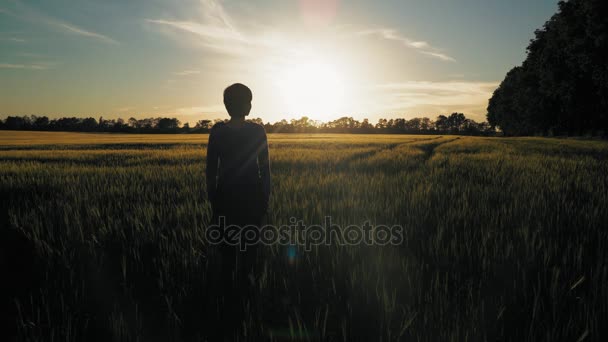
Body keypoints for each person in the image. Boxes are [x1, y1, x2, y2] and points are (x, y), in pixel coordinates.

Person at [205, 83, 270, 338]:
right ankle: (245, 301)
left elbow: (211, 171)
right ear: (246, 105)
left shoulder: (217, 132)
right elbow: (265, 170)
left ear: (226, 105)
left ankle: (227, 303)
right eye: (249, 100)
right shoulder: (257, 131)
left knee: (228, 254)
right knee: (249, 253)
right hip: (252, 198)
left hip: (225, 199)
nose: (251, 105)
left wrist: (214, 201)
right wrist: (265, 198)